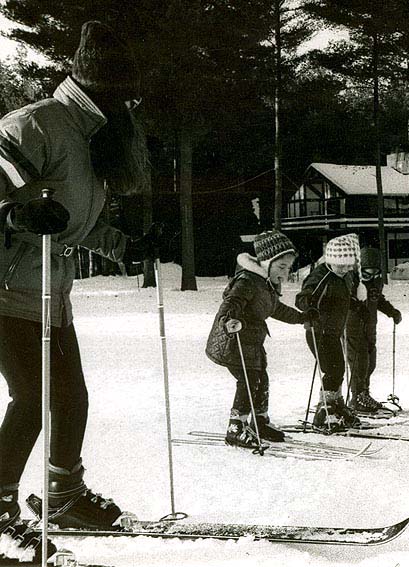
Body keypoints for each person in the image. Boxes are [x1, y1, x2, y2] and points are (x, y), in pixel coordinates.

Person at [0, 20, 167, 556]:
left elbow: (76, 225)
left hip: (49, 293)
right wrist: (17, 214)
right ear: (102, 89)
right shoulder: (40, 124)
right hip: (5, 290)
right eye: (125, 95)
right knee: (34, 397)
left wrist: (124, 244)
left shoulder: (92, 137)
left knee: (70, 397)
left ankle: (63, 497)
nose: (132, 107)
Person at [205, 231, 316, 447]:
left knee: (260, 379)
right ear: (267, 262)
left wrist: (302, 317)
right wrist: (229, 320)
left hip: (252, 342)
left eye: (288, 268)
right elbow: (231, 302)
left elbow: (276, 309)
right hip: (233, 341)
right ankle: (236, 427)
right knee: (248, 381)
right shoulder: (248, 280)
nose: (285, 273)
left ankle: (259, 421)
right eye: (281, 267)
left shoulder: (265, 283)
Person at [295, 234, 362, 431]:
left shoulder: (345, 276)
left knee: (338, 369)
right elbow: (301, 298)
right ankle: (324, 411)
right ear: (331, 261)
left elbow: (344, 297)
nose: (344, 270)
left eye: (348, 266)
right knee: (333, 369)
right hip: (318, 331)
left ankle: (335, 405)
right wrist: (310, 306)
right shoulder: (320, 275)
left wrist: (356, 305)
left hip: (333, 332)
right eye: (340, 266)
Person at [346, 247, 402, 413]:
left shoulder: (377, 282)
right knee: (359, 362)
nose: (371, 278)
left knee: (371, 363)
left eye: (375, 274)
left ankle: (364, 393)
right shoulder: (353, 281)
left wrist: (392, 312)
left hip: (371, 327)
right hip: (353, 326)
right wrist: (356, 307)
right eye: (367, 274)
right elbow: (345, 300)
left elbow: (378, 300)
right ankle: (356, 397)